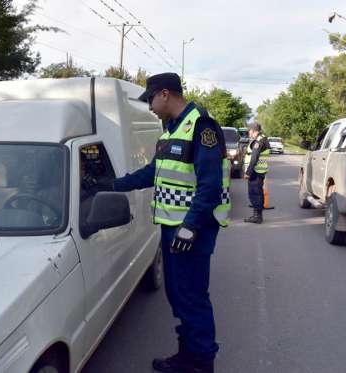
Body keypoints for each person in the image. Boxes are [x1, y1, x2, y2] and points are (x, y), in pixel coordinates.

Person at [102, 73, 230, 373]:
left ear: (164, 94)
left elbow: (209, 186)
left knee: (193, 297)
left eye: (150, 100)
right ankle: (188, 356)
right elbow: (153, 173)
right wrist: (113, 185)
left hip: (192, 230)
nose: (149, 107)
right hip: (173, 227)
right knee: (178, 295)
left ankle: (200, 363)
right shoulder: (172, 130)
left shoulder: (201, 126)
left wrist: (190, 227)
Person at [243, 122, 270, 224]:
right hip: (260, 170)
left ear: (253, 130)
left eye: (249, 130)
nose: (248, 132)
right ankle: (258, 215)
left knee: (255, 193)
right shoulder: (263, 138)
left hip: (255, 171)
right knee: (258, 193)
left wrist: (248, 172)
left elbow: (254, 157)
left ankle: (257, 217)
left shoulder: (258, 141)